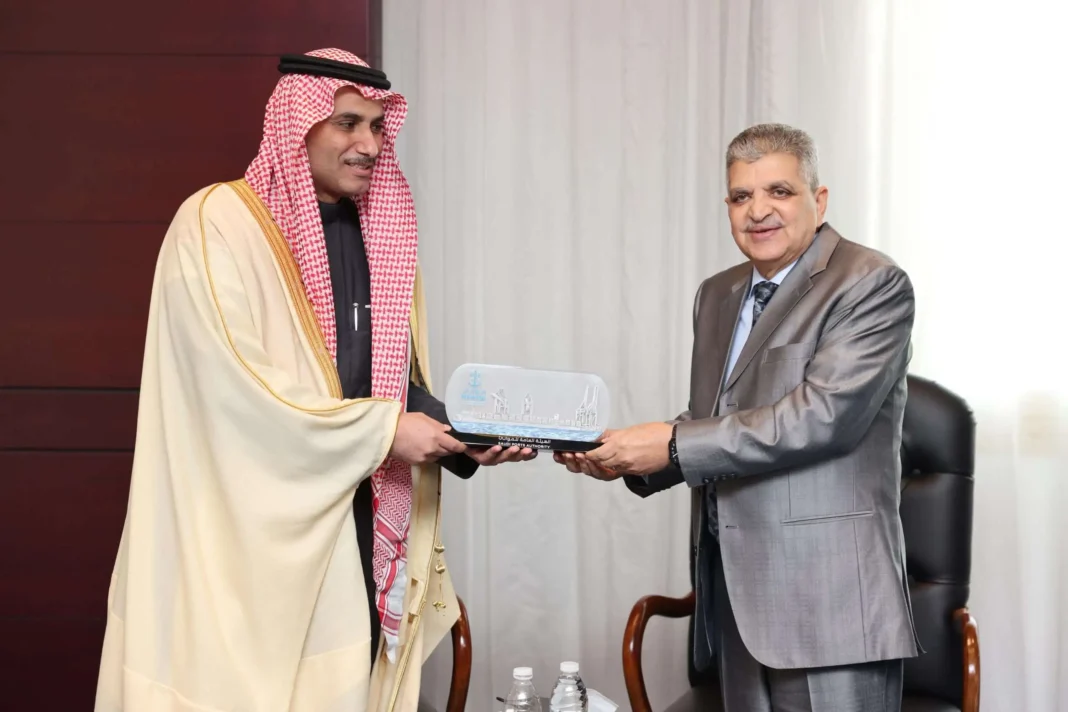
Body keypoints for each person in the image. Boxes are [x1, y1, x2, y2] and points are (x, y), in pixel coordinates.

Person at [95, 49, 534, 712]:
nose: (370, 145)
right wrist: (387, 430)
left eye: (377, 127)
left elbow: (380, 383)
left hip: (355, 518)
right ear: (297, 126)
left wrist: (463, 435)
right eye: (347, 123)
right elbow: (236, 394)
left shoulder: (373, 234)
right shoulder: (216, 225)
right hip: (241, 540)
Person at [557, 123, 919, 711]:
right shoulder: (717, 293)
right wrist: (627, 456)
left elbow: (820, 418)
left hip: (830, 603)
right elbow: (715, 417)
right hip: (735, 601)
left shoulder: (870, 282)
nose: (758, 211)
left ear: (819, 199)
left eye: (779, 191)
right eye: (741, 196)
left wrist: (671, 445)